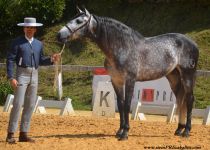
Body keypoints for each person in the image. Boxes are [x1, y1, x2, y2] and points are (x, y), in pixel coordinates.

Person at [6, 17, 60, 144]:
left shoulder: (38, 44)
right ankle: (10, 134)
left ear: (35, 29)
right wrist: (11, 77)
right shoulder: (17, 42)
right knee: (18, 104)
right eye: (27, 27)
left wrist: (52, 59)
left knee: (30, 105)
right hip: (21, 74)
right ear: (24, 28)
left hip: (34, 74)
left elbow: (40, 60)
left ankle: (23, 133)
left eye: (32, 28)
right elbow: (10, 60)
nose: (29, 29)